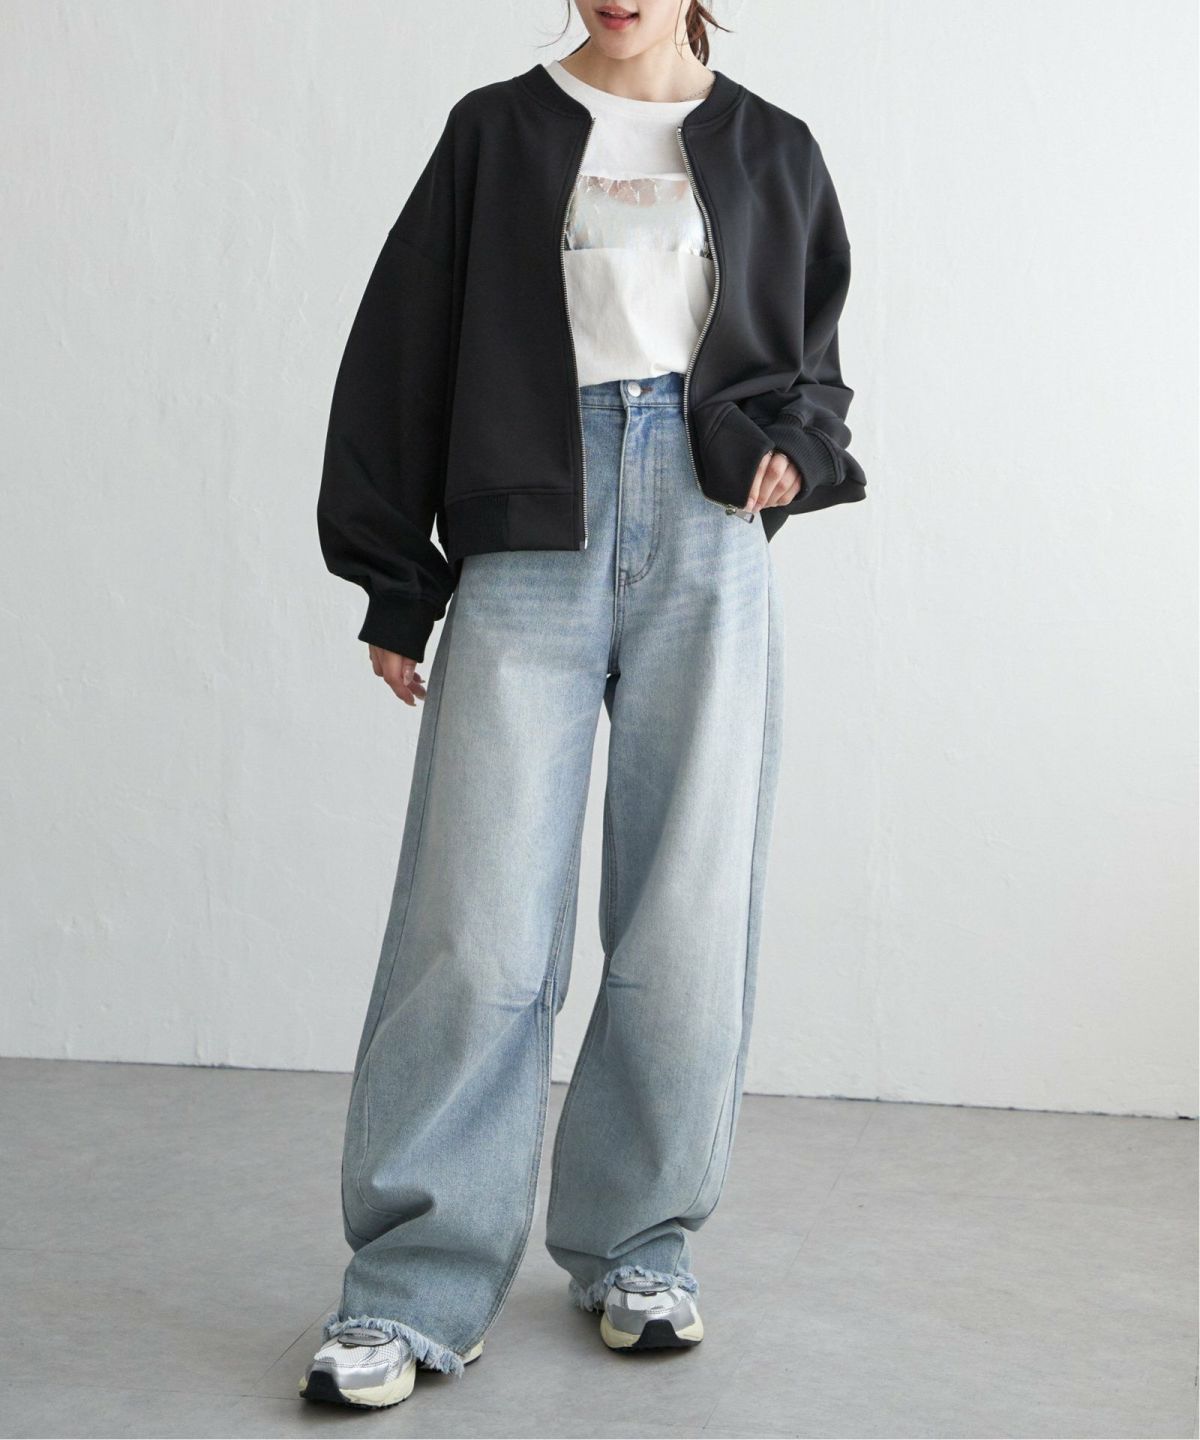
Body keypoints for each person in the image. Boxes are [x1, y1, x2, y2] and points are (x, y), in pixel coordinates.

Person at [302, 0, 865, 1410]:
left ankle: (637, 1245)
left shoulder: (775, 147)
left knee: (685, 915)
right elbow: (400, 354)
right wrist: (395, 582)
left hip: (707, 538)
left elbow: (813, 369)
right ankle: (413, 1287)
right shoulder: (495, 132)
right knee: (475, 923)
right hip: (526, 532)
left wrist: (791, 454)